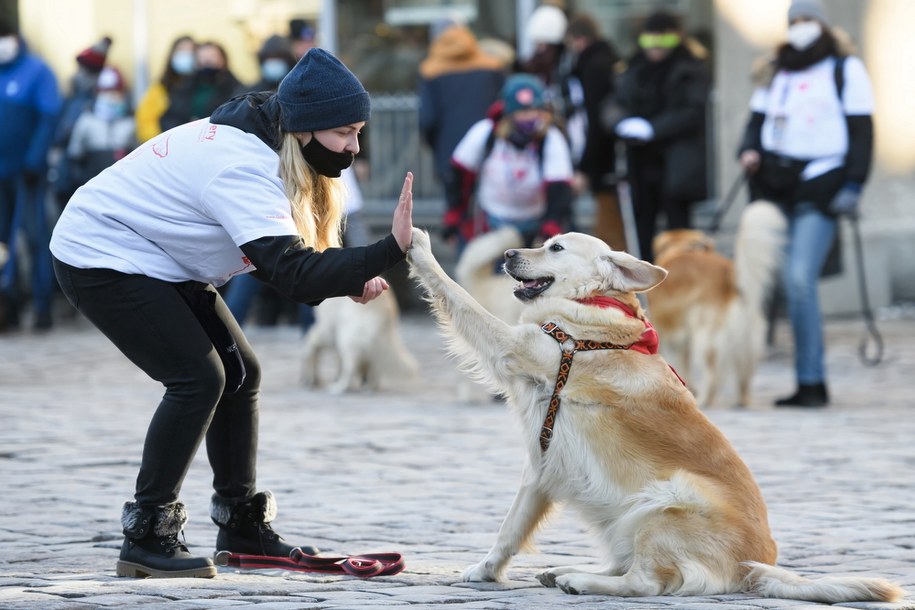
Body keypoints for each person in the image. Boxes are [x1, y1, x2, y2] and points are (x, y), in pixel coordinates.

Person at [49, 48, 415, 578]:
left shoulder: (271, 144)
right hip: (100, 254)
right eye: (344, 134)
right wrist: (386, 252)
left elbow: (278, 260)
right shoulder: (242, 164)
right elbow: (290, 272)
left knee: (242, 374)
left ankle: (242, 527)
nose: (354, 148)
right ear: (305, 129)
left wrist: (348, 276)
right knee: (198, 378)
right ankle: (147, 535)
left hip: (160, 258)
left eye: (359, 132)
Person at [737, 0, 874, 408]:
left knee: (800, 278)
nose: (801, 27)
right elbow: (755, 126)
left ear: (823, 24)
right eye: (795, 21)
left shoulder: (844, 68)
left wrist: (853, 184)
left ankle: (811, 380)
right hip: (776, 184)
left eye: (808, 20)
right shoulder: (775, 69)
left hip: (823, 183)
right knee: (768, 279)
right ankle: (767, 369)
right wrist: (748, 151)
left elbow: (862, 130)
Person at [603, 10, 710, 262]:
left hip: (675, 164)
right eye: (650, 39)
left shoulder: (690, 69)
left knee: (678, 233)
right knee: (641, 229)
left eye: (664, 40)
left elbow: (692, 112)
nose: (657, 48)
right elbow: (612, 104)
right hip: (640, 163)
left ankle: (680, 284)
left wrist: (653, 129)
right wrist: (621, 123)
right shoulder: (632, 68)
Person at [444, 73, 574, 249]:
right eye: (522, 111)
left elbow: (559, 189)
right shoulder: (486, 132)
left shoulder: (550, 138)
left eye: (534, 110)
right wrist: (454, 216)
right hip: (491, 221)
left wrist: (551, 227)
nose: (529, 117)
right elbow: (458, 176)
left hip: (533, 224)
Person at [0, 20, 62, 331]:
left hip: (27, 174)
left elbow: (49, 116)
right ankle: (7, 304)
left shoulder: (36, 72)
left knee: (36, 238)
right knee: (2, 244)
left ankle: (42, 306)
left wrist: (34, 160)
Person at [417, 22, 506, 201]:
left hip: (450, 154)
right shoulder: (492, 67)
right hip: (488, 150)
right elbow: (503, 109)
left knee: (456, 211)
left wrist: (435, 146)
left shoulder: (430, 71)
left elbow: (428, 119)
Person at [563, 13, 624, 251]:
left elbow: (594, 121)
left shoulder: (593, 67)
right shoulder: (605, 60)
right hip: (607, 154)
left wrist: (585, 166)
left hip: (603, 157)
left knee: (609, 226)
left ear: (577, 40)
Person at [51, 36, 111, 210]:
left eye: (84, 70)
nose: (78, 74)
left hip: (83, 165)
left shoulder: (96, 101)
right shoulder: (72, 96)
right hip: (65, 163)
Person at [66, 66, 136, 191]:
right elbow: (75, 153)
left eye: (115, 92)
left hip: (122, 186)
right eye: (105, 93)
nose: (110, 97)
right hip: (91, 183)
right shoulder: (86, 120)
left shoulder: (130, 123)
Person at [159, 41, 242, 133]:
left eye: (213, 57)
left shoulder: (236, 89)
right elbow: (170, 117)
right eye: (202, 57)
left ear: (223, 60)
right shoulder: (184, 87)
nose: (207, 61)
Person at [135, 35, 196, 143]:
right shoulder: (160, 87)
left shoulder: (201, 87)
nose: (186, 54)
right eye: (181, 50)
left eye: (190, 50)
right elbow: (145, 119)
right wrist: (159, 143)